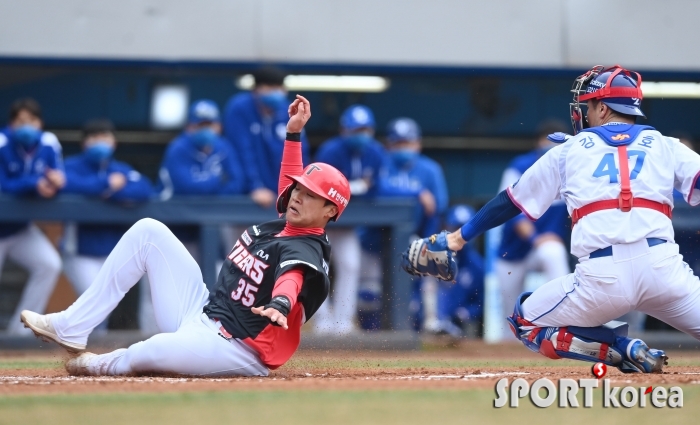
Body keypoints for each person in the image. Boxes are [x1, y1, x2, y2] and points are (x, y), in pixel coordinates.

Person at [20, 95, 352, 377]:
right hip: (202, 311)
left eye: (310, 195)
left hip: (233, 349)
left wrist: (281, 302)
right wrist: (293, 134)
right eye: (300, 189)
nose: (297, 196)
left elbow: (292, 278)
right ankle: (72, 325)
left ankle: (100, 365)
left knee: (151, 350)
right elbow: (289, 183)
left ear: (330, 211)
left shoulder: (307, 247)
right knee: (148, 231)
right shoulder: (288, 222)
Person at [404, 65, 700, 373]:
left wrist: (456, 238)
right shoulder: (667, 145)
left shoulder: (569, 150)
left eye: (589, 104)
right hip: (665, 270)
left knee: (525, 321)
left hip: (603, 277)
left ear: (602, 107)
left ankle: (622, 349)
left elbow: (509, 201)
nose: (585, 111)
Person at [62, 119, 154, 332]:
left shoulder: (119, 169)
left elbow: (144, 189)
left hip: (112, 254)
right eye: (94, 138)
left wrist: (112, 192)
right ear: (84, 143)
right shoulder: (71, 165)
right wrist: (106, 185)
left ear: (114, 143)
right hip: (79, 251)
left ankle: (89, 357)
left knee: (102, 311)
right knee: (94, 307)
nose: (100, 142)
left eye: (105, 137)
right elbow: (67, 184)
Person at [364, 117, 448, 331]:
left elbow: (438, 207)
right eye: (399, 143)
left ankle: (428, 325)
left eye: (408, 143)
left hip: (414, 237)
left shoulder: (430, 170)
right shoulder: (380, 163)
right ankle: (368, 333)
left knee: (425, 273)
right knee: (369, 288)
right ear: (389, 145)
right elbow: (377, 192)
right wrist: (417, 192)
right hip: (373, 240)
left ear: (418, 144)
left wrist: (429, 242)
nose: (404, 148)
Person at [494, 120, 571, 340]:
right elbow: (513, 215)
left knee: (553, 253)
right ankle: (507, 351)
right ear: (538, 143)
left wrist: (555, 237)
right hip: (514, 251)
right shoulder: (520, 166)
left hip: (544, 246)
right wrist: (537, 238)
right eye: (547, 141)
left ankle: (563, 327)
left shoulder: (572, 170)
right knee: (509, 314)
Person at [313, 104, 386, 334]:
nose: (361, 135)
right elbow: (325, 186)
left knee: (351, 265)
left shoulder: (375, 152)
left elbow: (376, 188)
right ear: (344, 130)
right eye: (356, 130)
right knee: (315, 269)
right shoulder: (330, 151)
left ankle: (343, 322)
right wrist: (357, 186)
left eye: (365, 129)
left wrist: (356, 188)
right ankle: (322, 321)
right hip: (321, 220)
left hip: (347, 225)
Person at [0, 98, 64, 335]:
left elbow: (59, 177)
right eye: (21, 121)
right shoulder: (2, 142)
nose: (27, 125)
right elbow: (4, 185)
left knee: (49, 264)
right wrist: (34, 183)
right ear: (11, 123)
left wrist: (55, 184)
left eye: (32, 120)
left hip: (19, 230)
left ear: (40, 123)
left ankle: (20, 333)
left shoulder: (48, 142)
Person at [157, 99, 246, 258]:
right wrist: (218, 180)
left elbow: (237, 183)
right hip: (175, 222)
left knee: (217, 268)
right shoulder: (178, 148)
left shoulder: (224, 147)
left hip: (212, 221)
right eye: (200, 125)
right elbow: (186, 188)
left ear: (218, 126)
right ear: (189, 127)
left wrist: (211, 191)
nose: (206, 130)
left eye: (210, 125)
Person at [223, 67, 310, 208]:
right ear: (257, 89)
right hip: (248, 197)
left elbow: (300, 152)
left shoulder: (288, 109)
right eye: (271, 87)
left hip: (284, 195)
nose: (277, 91)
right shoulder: (240, 108)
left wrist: (296, 190)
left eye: (280, 87)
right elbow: (242, 151)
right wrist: (255, 187)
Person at [435, 205, 484, 337]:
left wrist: (466, 313)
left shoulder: (477, 266)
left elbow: (481, 304)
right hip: (428, 324)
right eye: (454, 229)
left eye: (463, 231)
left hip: (459, 327)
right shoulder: (432, 257)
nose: (459, 235)